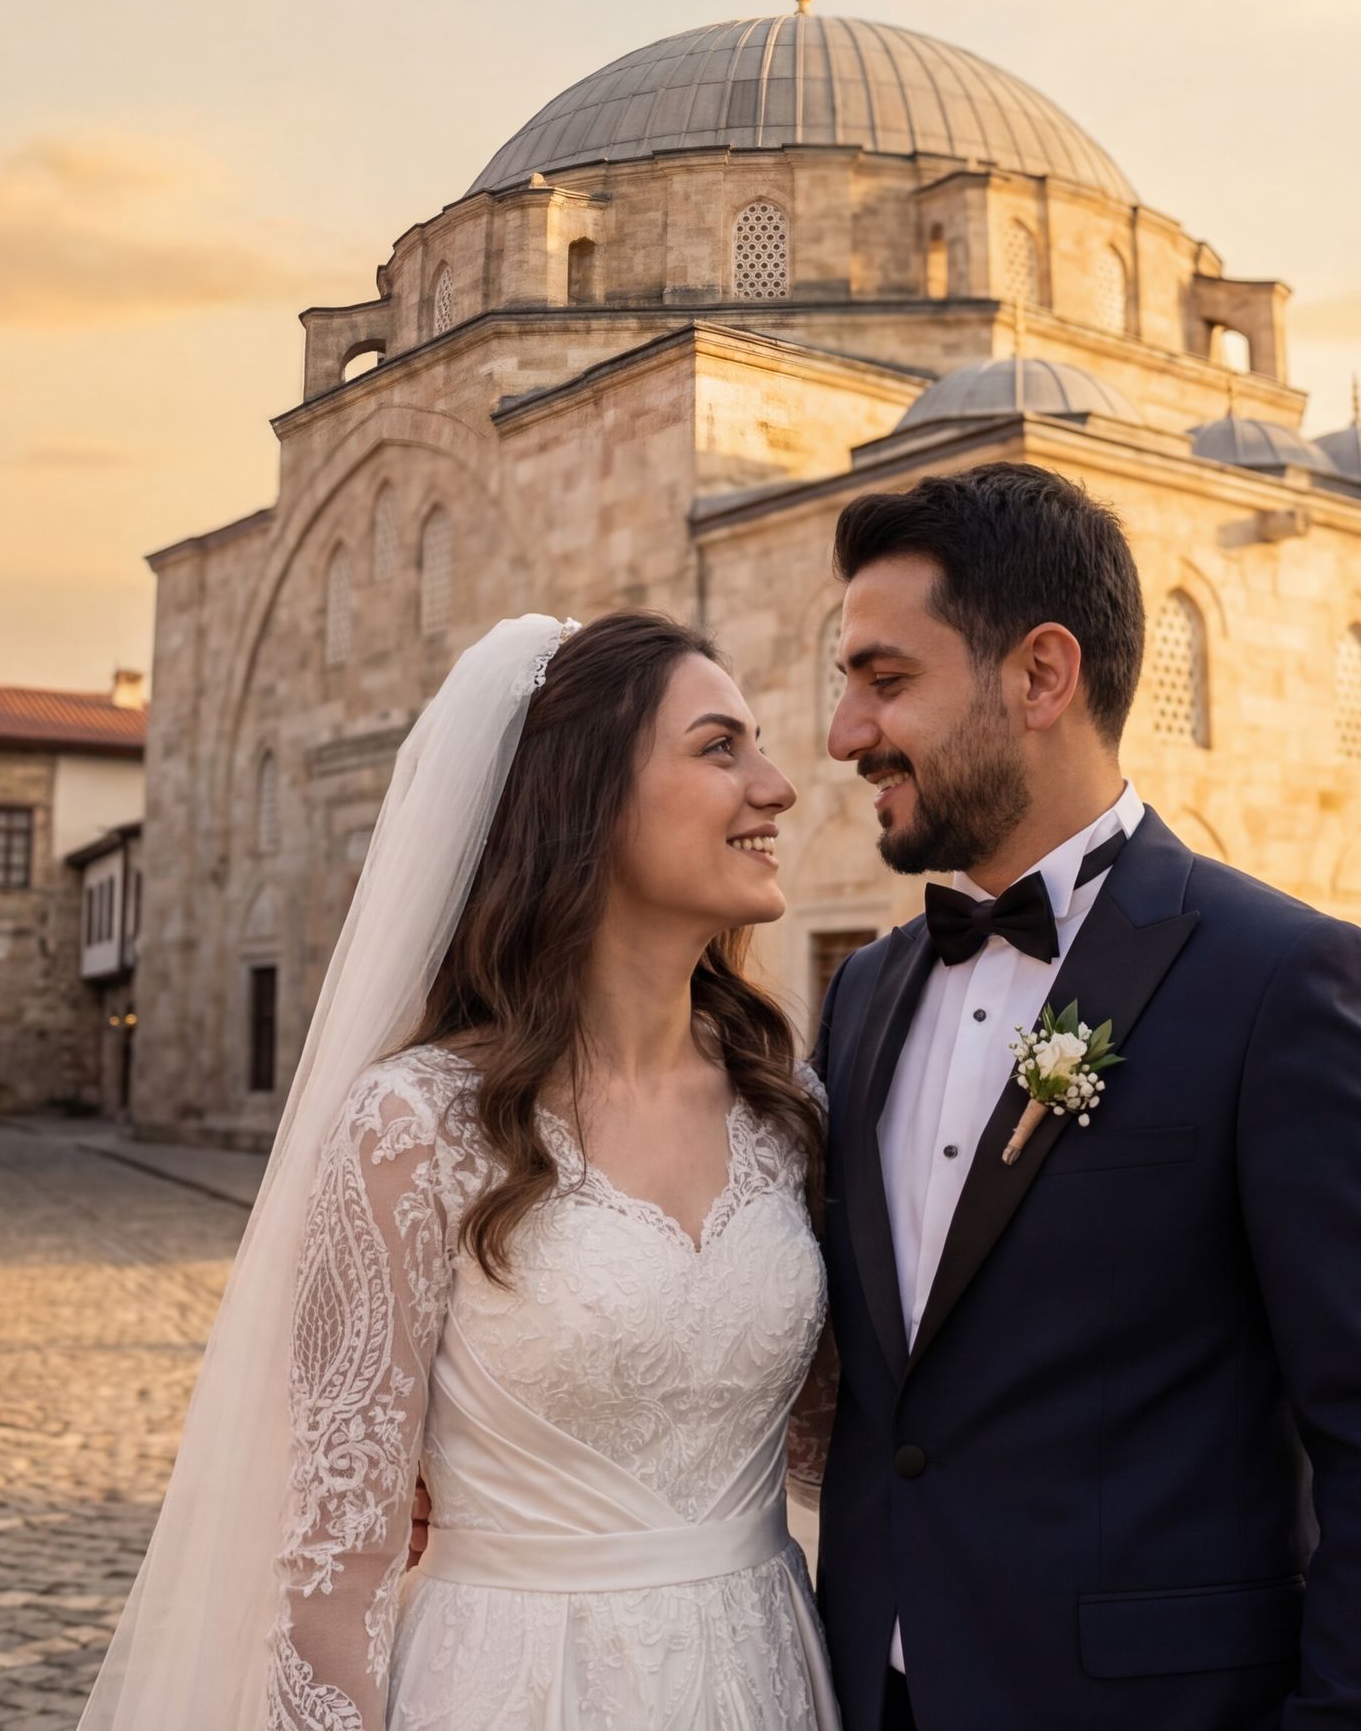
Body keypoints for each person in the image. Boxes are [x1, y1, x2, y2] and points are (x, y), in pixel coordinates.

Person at [812, 463, 1361, 1729]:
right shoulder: (864, 996)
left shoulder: (1285, 982)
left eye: (884, 681)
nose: (843, 734)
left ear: (1041, 676)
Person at [81, 610, 839, 1729]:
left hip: (768, 1667)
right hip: (519, 1685)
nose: (776, 785)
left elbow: (844, 1447)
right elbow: (335, 1560)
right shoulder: (415, 1125)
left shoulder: (789, 1109)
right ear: (584, 800)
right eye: (720, 747)